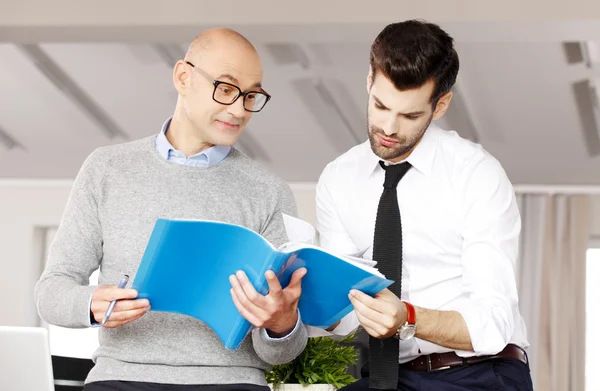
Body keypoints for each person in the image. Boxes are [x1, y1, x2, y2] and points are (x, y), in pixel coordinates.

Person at [34, 28, 308, 391]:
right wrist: (91, 303)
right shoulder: (107, 169)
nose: (239, 109)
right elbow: (51, 291)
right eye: (226, 89)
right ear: (183, 77)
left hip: (231, 383)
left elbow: (281, 353)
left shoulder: (269, 191)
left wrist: (281, 323)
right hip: (121, 377)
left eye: (251, 95)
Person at [315, 20, 533, 390]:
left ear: (441, 105)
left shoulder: (476, 174)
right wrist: (313, 304)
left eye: (410, 115)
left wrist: (408, 317)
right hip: (393, 377)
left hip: (481, 372)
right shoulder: (338, 179)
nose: (388, 127)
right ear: (369, 80)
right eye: (380, 105)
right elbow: (350, 318)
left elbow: (493, 321)